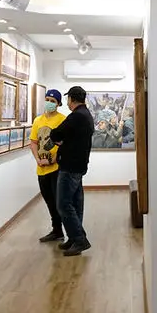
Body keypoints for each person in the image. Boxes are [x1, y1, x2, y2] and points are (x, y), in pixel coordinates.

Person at [49, 85, 94, 256]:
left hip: (70, 167)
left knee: (63, 204)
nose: (67, 102)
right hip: (79, 166)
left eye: (68, 99)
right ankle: (74, 238)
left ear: (72, 99)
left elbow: (56, 134)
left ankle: (79, 239)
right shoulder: (86, 115)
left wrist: (60, 140)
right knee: (75, 204)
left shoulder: (76, 116)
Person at [29, 88, 66, 242]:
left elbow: (65, 145)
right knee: (49, 202)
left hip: (56, 168)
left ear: (58, 104)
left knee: (59, 202)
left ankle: (66, 231)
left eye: (53, 101)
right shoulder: (38, 121)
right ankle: (57, 231)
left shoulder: (62, 120)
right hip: (41, 169)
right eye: (47, 100)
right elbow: (33, 142)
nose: (49, 103)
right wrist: (38, 159)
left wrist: (51, 161)